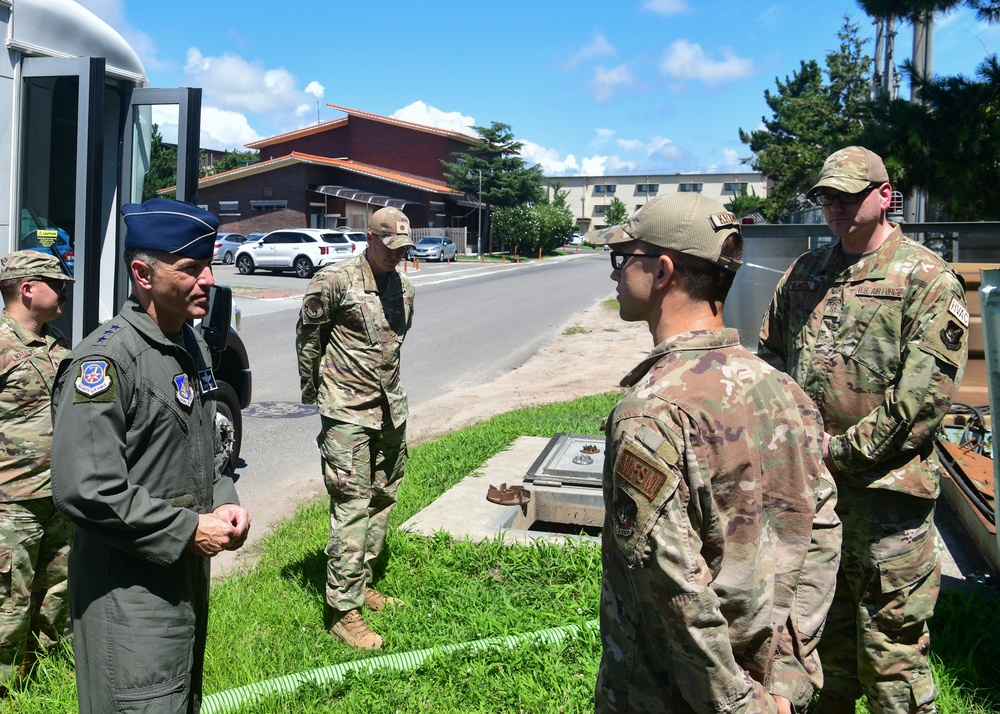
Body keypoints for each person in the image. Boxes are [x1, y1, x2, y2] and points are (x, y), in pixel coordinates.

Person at [595, 193, 841, 714]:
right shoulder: (787, 392)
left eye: (622, 260)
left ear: (662, 271)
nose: (615, 276)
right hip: (773, 685)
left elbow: (674, 594)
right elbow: (821, 535)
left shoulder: (651, 413)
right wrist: (789, 675)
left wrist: (738, 704)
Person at [759, 146, 969, 714]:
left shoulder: (926, 279)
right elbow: (772, 362)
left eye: (850, 196)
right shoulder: (805, 274)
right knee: (817, 644)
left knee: (890, 655)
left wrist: (830, 453)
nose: (836, 207)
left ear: (884, 196)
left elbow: (919, 404)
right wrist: (787, 447)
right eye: (828, 196)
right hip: (813, 500)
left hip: (886, 505)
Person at [50, 198, 251, 713]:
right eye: (190, 269)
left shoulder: (188, 342)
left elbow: (205, 443)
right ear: (142, 273)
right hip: (129, 595)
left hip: (180, 579)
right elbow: (86, 488)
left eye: (209, 266)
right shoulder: (106, 362)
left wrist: (224, 499)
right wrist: (188, 530)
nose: (208, 280)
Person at [296, 206, 415, 650]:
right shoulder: (334, 280)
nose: (396, 257)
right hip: (346, 411)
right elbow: (308, 338)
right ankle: (343, 610)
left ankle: (361, 581)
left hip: (390, 411)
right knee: (351, 503)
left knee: (382, 497)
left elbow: (393, 348)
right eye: (389, 247)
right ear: (370, 238)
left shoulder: (404, 286)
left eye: (403, 249)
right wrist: (314, 393)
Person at [0, 252, 74, 693]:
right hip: (11, 502)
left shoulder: (57, 343)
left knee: (56, 593)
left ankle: (41, 682)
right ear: (28, 288)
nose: (63, 291)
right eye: (56, 283)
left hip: (59, 496)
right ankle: (6, 691)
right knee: (9, 602)